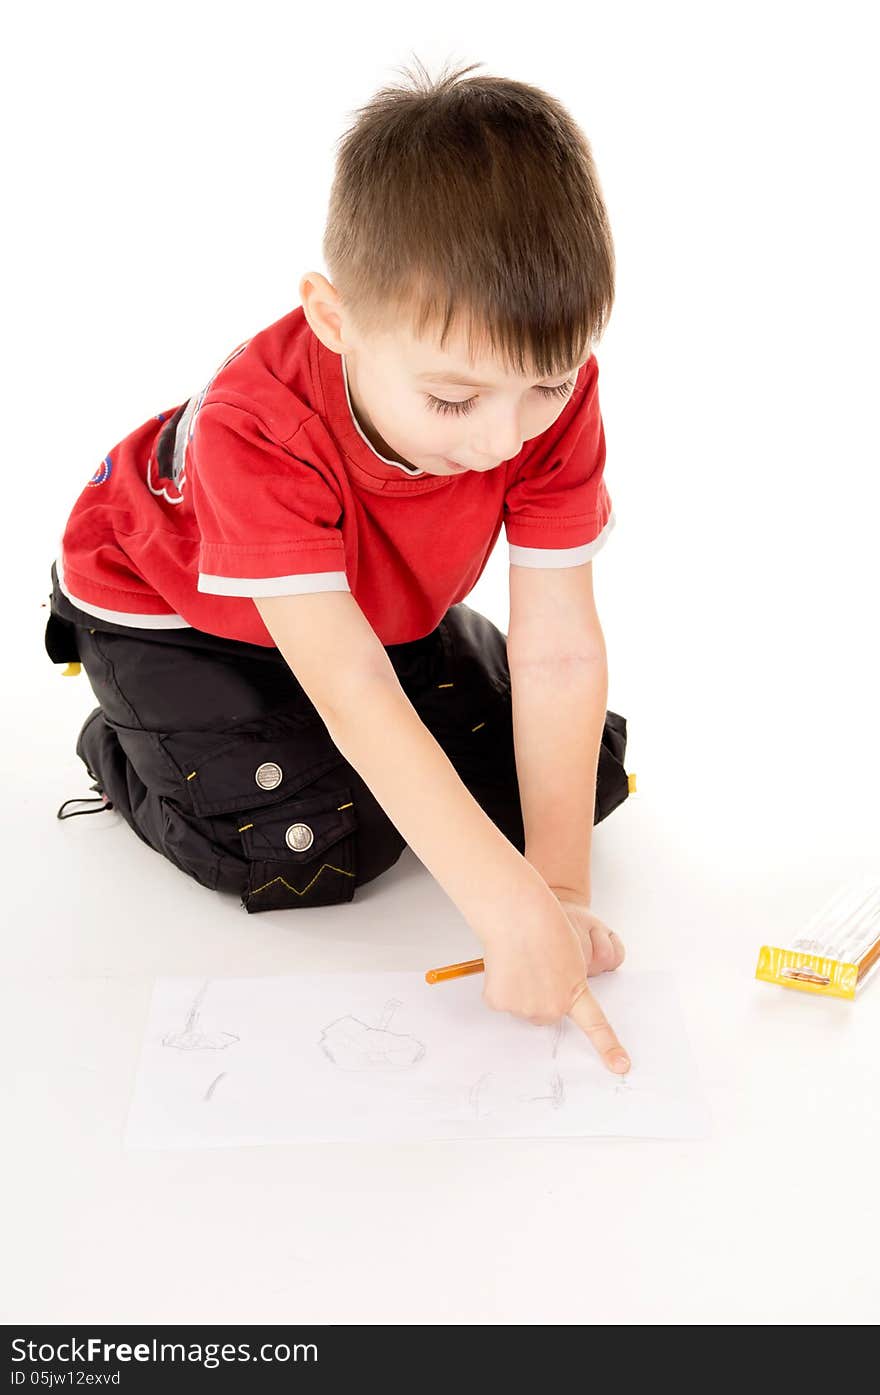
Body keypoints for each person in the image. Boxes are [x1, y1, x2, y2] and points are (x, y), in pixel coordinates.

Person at [45, 58, 633, 1073]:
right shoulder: (254, 429)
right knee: (311, 851)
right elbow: (354, 688)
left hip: (358, 610)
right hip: (173, 616)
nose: (503, 437)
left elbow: (561, 657)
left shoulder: (545, 391)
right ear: (333, 318)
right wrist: (506, 910)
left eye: (542, 386)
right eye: (453, 401)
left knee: (582, 776)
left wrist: (560, 894)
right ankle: (126, 751)